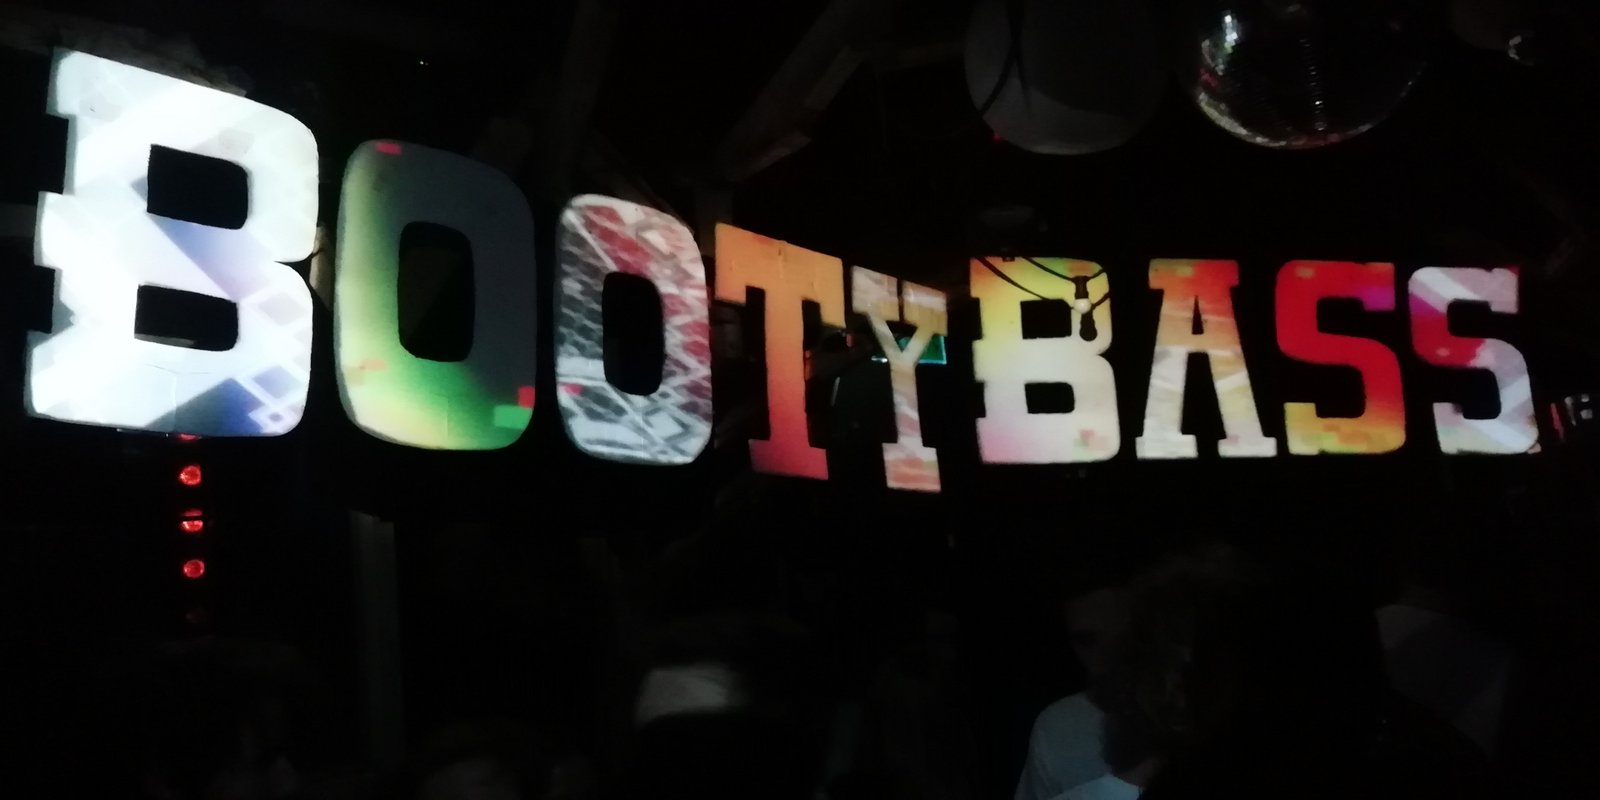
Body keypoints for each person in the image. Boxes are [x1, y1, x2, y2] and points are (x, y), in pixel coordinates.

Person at [1013, 562, 1137, 800]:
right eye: (1087, 641)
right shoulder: (1057, 727)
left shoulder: (1188, 718)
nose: (1107, 656)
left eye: (1122, 637)